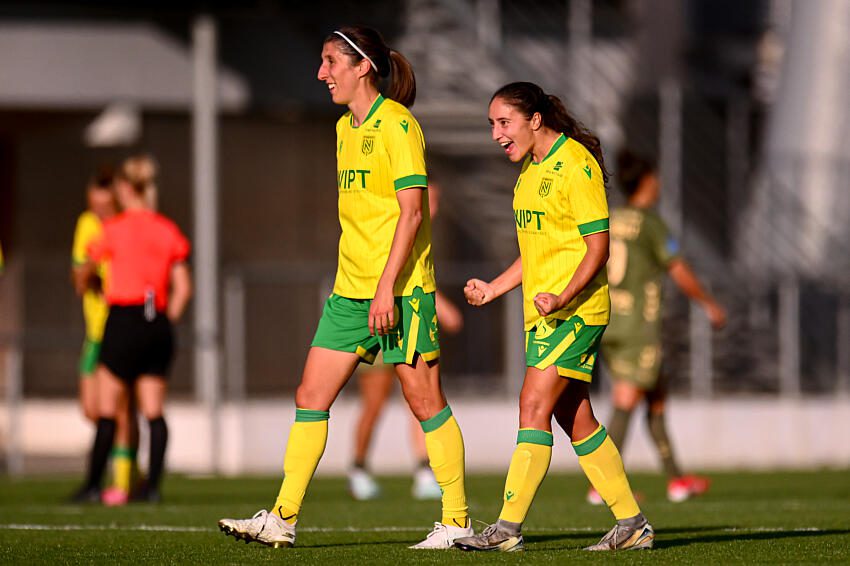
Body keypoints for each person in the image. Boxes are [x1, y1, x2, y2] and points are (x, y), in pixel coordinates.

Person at [218, 26, 471, 550]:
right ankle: (282, 518)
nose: (321, 72)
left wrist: (385, 288)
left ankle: (456, 521)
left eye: (330, 61)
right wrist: (362, 287)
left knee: (425, 403)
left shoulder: (399, 126)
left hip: (400, 295)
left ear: (363, 68)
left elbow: (412, 212)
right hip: (348, 293)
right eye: (322, 61)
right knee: (310, 395)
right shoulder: (343, 129)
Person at [454, 82, 653, 553]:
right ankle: (633, 524)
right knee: (573, 416)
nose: (497, 134)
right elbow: (536, 251)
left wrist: (563, 296)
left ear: (535, 120)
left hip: (576, 312)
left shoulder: (576, 164)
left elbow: (598, 247)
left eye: (504, 123)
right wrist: (494, 287)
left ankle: (505, 530)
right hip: (547, 315)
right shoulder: (529, 172)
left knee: (532, 406)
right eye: (491, 125)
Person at [587, 149, 727, 505]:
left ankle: (677, 479)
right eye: (656, 177)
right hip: (638, 325)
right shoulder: (650, 224)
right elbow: (677, 269)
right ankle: (602, 485)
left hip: (609, 319)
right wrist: (709, 305)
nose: (660, 183)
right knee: (627, 398)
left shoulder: (610, 216)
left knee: (657, 393)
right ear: (647, 182)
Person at [73, 158, 192, 504]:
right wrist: (165, 320)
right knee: (153, 411)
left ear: (125, 189)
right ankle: (152, 488)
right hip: (156, 321)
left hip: (122, 319)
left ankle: (93, 484)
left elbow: (85, 270)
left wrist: (88, 279)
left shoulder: (113, 228)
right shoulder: (166, 229)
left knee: (108, 410)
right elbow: (183, 288)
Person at [348, 184, 462, 502]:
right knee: (375, 402)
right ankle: (358, 467)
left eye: (436, 201)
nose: (433, 207)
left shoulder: (423, 229)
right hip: (380, 320)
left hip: (410, 319)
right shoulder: (399, 224)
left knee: (420, 397)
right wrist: (443, 306)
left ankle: (425, 469)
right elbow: (397, 273)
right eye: (430, 200)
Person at [69, 169, 141, 504]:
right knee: (92, 410)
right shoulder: (87, 224)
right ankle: (133, 470)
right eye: (93, 205)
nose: (98, 212)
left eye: (103, 206)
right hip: (94, 331)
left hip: (120, 326)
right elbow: (80, 272)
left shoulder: (127, 226)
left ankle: (122, 483)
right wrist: (86, 277)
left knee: (119, 410)